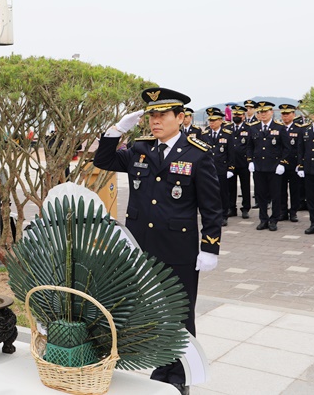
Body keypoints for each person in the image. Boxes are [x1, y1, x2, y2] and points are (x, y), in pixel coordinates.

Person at [94, 87, 222, 395]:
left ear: (180, 117)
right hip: (140, 246)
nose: (155, 121)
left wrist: (210, 247)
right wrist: (117, 129)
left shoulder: (198, 154)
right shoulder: (141, 148)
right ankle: (151, 360)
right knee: (141, 308)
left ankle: (178, 373)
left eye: (162, 115)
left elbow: (212, 206)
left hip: (178, 248)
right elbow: (103, 159)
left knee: (179, 312)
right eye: (151, 115)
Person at [247, 101, 290, 231]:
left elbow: (286, 148)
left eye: (266, 112)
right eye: (260, 112)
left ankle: (274, 219)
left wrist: (282, 163)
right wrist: (250, 161)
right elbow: (249, 146)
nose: (263, 114)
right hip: (259, 167)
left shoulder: (279, 127)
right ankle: (263, 219)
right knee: (261, 195)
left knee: (275, 195)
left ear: (271, 112)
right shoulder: (253, 127)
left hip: (274, 167)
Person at [202, 107, 235, 226]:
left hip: (222, 168)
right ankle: (212, 214)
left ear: (220, 121)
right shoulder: (205, 134)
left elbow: (231, 153)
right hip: (208, 168)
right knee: (210, 193)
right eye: (210, 120)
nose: (211, 122)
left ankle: (224, 215)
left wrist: (231, 168)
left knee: (223, 193)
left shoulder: (227, 134)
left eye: (214, 120)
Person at [278, 104, 303, 223]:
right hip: (281, 165)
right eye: (283, 114)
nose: (285, 116)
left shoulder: (299, 128)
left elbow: (301, 148)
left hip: (294, 164)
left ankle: (293, 212)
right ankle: (282, 211)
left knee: (295, 190)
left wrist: (300, 164)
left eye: (288, 114)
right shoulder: (277, 128)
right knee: (281, 189)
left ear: (294, 115)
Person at [226, 105, 252, 219]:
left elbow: (250, 145)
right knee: (231, 187)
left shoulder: (249, 128)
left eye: (239, 115)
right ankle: (231, 208)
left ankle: (245, 208)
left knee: (245, 186)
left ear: (243, 116)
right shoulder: (227, 128)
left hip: (244, 162)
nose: (236, 116)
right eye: (235, 114)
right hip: (231, 163)